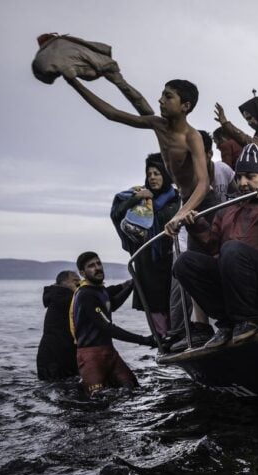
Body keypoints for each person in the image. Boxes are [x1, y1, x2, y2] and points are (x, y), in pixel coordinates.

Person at [172, 144, 258, 348]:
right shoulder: (229, 208)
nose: (243, 183)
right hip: (235, 282)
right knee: (184, 263)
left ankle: (247, 320)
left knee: (232, 249)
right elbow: (213, 246)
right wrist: (195, 224)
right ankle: (227, 324)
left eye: (250, 176)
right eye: (239, 177)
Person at [63, 75, 211, 238]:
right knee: (184, 256)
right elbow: (112, 114)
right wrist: (74, 82)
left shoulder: (191, 137)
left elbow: (203, 184)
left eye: (168, 97)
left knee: (208, 250)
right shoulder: (158, 124)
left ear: (185, 106)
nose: (160, 100)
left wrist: (181, 213)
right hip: (184, 201)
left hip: (201, 202)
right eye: (162, 95)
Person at [110, 154, 180, 339]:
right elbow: (116, 214)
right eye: (149, 174)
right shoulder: (138, 196)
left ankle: (178, 334)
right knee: (153, 302)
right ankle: (162, 338)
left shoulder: (175, 199)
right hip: (146, 259)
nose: (152, 177)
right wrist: (137, 198)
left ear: (165, 175)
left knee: (173, 298)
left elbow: (172, 219)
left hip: (168, 256)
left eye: (157, 173)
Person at [70, 251, 154, 397]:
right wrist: (145, 340)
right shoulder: (85, 295)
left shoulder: (99, 290)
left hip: (109, 352)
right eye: (91, 266)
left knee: (132, 388)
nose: (97, 268)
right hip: (91, 356)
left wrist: (131, 286)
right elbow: (107, 327)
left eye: (98, 263)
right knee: (98, 400)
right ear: (83, 273)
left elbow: (111, 305)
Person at [36, 270, 80, 381]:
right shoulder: (66, 298)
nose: (79, 283)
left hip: (55, 356)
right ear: (63, 283)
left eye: (80, 280)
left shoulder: (60, 297)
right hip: (53, 358)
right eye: (75, 281)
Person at [200, 130, 237, 204]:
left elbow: (237, 195)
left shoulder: (223, 169)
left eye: (198, 155)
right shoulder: (190, 179)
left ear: (209, 154)